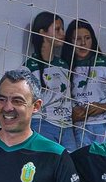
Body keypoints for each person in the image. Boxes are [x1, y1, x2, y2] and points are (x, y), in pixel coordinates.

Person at [62, 18, 106, 149]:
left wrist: (104, 106)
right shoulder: (65, 67)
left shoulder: (105, 63)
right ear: (70, 41)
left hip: (104, 124)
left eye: (87, 38)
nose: (83, 43)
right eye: (77, 39)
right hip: (80, 127)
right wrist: (72, 113)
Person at [25, 10, 72, 142]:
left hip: (67, 126)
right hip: (43, 124)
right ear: (42, 33)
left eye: (62, 29)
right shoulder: (29, 67)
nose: (62, 34)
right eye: (57, 29)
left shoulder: (63, 65)